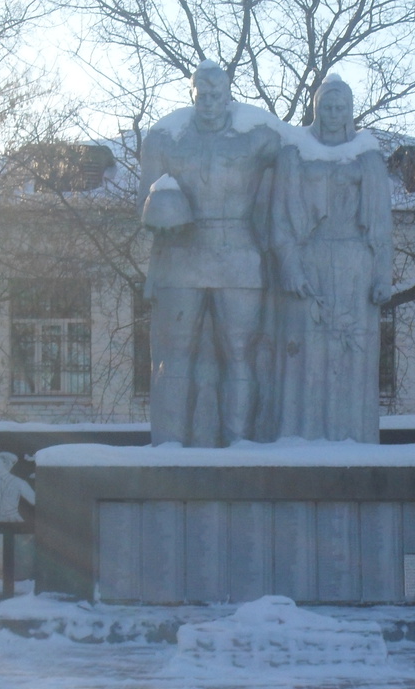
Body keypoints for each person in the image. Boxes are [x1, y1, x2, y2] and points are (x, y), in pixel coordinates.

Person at [137, 61, 281, 446]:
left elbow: (298, 157)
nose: (209, 102)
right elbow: (146, 205)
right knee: (175, 354)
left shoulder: (257, 136)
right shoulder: (167, 139)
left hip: (238, 256)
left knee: (238, 355)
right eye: (202, 94)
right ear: (193, 94)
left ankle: (241, 442)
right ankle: (169, 443)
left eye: (217, 95)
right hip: (181, 255)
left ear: (228, 95)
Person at [270, 75, 393, 442]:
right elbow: (279, 217)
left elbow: (382, 224)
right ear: (316, 108)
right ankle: (302, 437)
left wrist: (382, 275)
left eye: (341, 107)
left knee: (350, 352)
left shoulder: (367, 155)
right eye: (328, 106)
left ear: (350, 109)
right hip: (309, 260)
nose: (335, 113)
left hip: (356, 264)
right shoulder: (294, 152)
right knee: (304, 352)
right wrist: (289, 265)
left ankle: (352, 436)